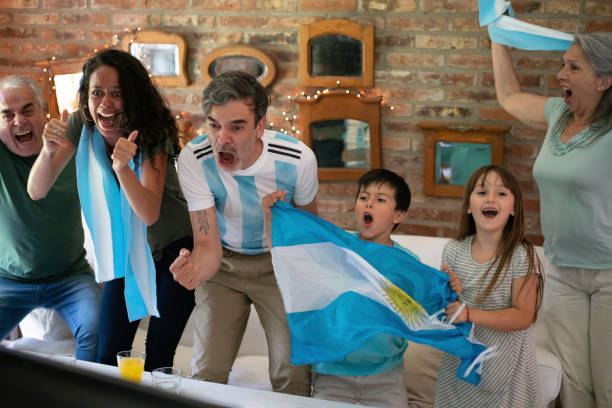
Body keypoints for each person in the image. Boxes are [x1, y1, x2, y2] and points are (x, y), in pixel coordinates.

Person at [27, 49, 194, 371]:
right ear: (86, 96)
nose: (105, 103)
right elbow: (36, 190)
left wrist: (123, 168)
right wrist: (48, 153)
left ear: (132, 97)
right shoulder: (81, 124)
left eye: (117, 94)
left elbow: (149, 213)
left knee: (158, 359)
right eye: (97, 93)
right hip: (125, 251)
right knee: (107, 357)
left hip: (175, 248)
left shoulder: (152, 129)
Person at [169, 71, 318, 395]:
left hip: (279, 266)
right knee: (206, 374)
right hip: (222, 267)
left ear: (260, 125)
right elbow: (207, 245)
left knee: (292, 375)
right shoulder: (193, 158)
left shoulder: (298, 159)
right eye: (214, 125)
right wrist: (194, 271)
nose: (223, 138)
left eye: (236, 126)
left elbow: (308, 237)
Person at [491, 33, 612, 407]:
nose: (561, 74)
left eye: (574, 67)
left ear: (604, 80)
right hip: (561, 270)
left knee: (609, 386)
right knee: (573, 385)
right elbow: (510, 98)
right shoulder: (559, 113)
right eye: (563, 63)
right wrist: (498, 39)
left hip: (610, 274)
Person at [262, 168, 417, 408]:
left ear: (398, 215)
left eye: (381, 199)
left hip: (386, 376)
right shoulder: (335, 249)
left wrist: (447, 287)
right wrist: (271, 217)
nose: (370, 204)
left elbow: (423, 309)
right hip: (331, 374)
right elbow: (288, 261)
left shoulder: (407, 262)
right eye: (364, 197)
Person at [0, 75, 101, 361]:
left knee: (96, 329)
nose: (18, 120)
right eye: (7, 114)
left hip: (70, 276)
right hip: (10, 280)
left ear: (44, 110)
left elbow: (97, 110)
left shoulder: (69, 141)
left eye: (27, 110)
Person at [433, 165, 543, 407]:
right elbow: (446, 313)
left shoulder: (521, 255)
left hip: (507, 372)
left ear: (514, 209)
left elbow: (523, 316)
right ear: (468, 206)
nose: (491, 198)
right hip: (459, 372)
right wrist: (448, 291)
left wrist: (469, 313)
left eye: (501, 193)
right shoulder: (453, 250)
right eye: (482, 192)